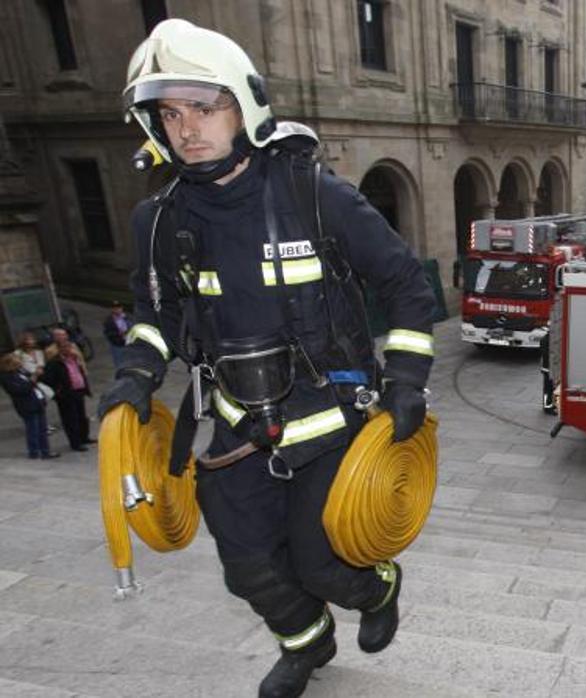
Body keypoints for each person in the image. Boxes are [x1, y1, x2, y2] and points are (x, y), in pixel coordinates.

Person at [96, 20, 435, 698]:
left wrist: (405, 380)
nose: (187, 127)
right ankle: (307, 642)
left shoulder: (316, 196)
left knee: (321, 562)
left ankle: (374, 587)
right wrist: (136, 373)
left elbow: (405, 285)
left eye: (203, 106)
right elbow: (156, 315)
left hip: (334, 420)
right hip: (237, 429)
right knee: (246, 568)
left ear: (242, 107)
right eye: (170, 113)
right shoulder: (160, 221)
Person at [0, 353, 59, 459]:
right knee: (33, 429)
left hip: (37, 401)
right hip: (27, 405)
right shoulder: (6, 378)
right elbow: (20, 390)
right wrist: (33, 378)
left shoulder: (20, 372)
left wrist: (37, 375)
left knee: (42, 429)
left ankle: (45, 451)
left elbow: (33, 381)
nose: (19, 365)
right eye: (17, 363)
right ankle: (34, 452)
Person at [43, 328, 92, 452]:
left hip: (78, 389)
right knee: (70, 419)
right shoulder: (55, 363)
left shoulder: (74, 359)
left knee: (81, 416)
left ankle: (84, 437)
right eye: (65, 348)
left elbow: (79, 371)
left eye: (69, 347)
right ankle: (75, 443)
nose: (68, 350)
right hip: (65, 394)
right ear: (60, 350)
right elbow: (47, 379)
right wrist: (59, 391)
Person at [102, 301, 133, 367]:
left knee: (130, 363)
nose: (117, 310)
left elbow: (132, 327)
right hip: (117, 346)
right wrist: (119, 334)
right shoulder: (108, 321)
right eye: (115, 308)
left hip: (128, 344)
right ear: (112, 309)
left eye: (119, 308)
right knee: (120, 365)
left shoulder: (127, 317)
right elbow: (107, 334)